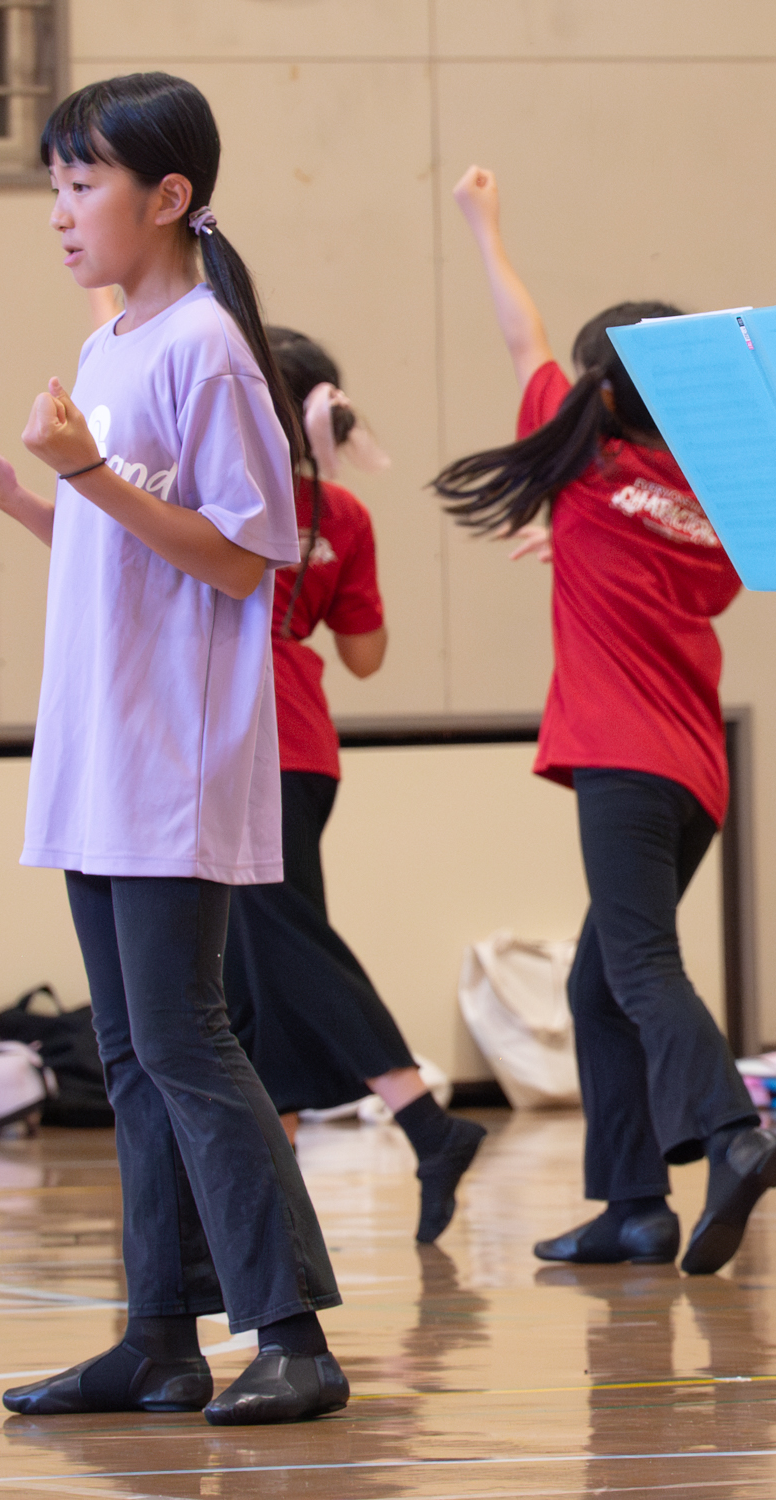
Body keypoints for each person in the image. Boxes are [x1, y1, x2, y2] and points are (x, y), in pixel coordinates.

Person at [0, 72, 346, 1424]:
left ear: (166, 198)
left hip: (175, 753)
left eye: (82, 182)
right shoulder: (114, 346)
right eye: (51, 184)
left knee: (185, 1035)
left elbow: (243, 561)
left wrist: (87, 474)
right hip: (99, 748)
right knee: (126, 1048)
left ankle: (291, 1334)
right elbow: (119, 548)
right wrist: (15, 484)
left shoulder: (210, 349)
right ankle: (158, 1334)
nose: (58, 212)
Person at [433, 165, 776, 1276]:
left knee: (636, 967)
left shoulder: (582, 456)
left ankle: (733, 1135)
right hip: (695, 778)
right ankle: (635, 1204)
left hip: (625, 765)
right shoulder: (715, 498)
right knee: (598, 983)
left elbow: (516, 331)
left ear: (598, 386)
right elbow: (684, 574)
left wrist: (484, 224)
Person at [219, 325, 488, 1242]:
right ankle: (270, 1190)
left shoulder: (228, 490)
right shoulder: (344, 516)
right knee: (247, 973)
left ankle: (424, 1119)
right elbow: (365, 658)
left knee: (285, 941)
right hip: (306, 744)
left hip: (239, 742)